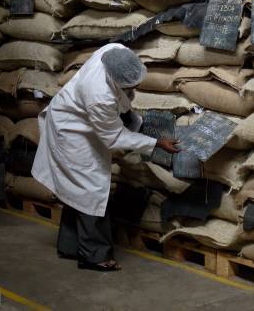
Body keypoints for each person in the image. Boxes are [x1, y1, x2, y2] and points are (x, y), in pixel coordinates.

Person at [32, 44, 179, 271]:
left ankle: (71, 246)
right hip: (71, 132)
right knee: (91, 192)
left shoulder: (115, 51)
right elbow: (114, 137)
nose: (138, 87)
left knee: (77, 190)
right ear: (116, 80)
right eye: (132, 85)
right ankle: (94, 256)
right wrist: (156, 143)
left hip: (85, 121)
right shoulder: (99, 95)